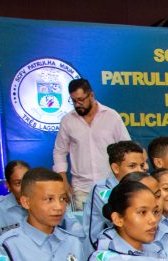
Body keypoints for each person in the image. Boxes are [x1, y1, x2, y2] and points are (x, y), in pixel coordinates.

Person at [52, 78, 130, 209]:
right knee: (82, 227)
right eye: (74, 101)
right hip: (81, 189)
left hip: (109, 186)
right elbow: (59, 152)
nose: (77, 104)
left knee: (113, 223)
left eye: (81, 100)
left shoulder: (111, 116)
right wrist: (63, 181)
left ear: (91, 95)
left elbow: (127, 148)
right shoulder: (67, 121)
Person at [84, 141, 146, 250]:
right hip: (101, 250)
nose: (139, 171)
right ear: (115, 168)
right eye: (132, 166)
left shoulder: (143, 184)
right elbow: (124, 220)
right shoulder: (102, 189)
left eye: (141, 165)